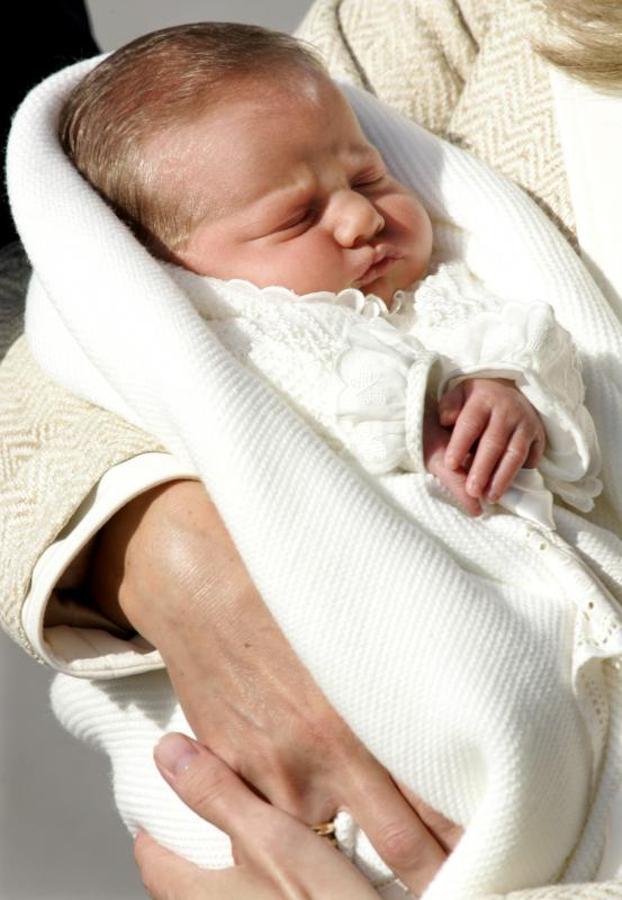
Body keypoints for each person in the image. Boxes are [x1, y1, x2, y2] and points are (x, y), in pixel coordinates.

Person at [2, 1, 622, 898]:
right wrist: (166, 552)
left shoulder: (438, 303)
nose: (359, 221)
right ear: (173, 264)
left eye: (371, 178)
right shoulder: (223, 328)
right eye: (297, 218)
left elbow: (521, 334)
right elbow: (49, 390)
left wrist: (512, 388)